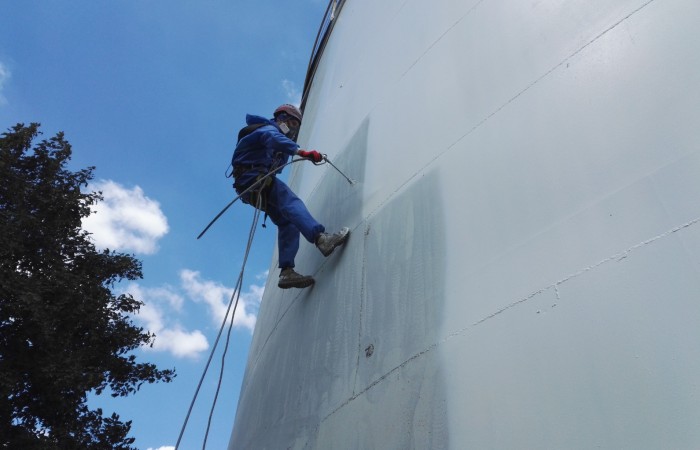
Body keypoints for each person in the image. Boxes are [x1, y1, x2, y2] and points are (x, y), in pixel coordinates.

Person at [231, 104, 350, 289]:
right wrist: (302, 152)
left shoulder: (277, 144)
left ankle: (286, 272)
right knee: (290, 202)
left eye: (297, 126)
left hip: (250, 187)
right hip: (253, 178)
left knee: (287, 221)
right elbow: (272, 138)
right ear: (282, 119)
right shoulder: (268, 129)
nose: (294, 129)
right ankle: (322, 239)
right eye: (292, 123)